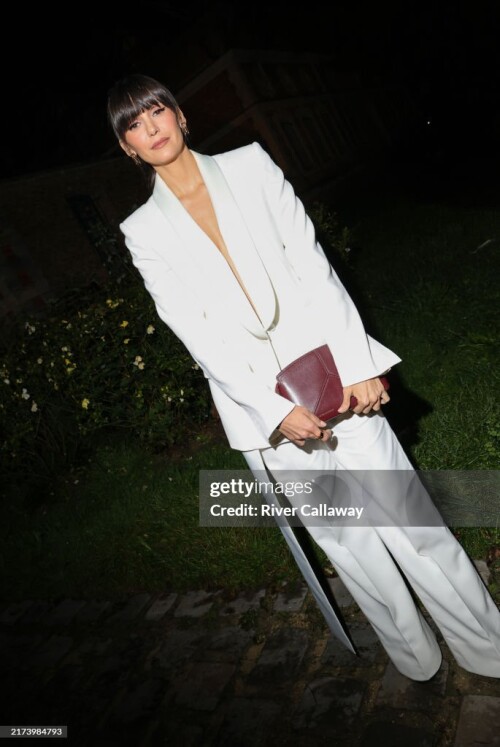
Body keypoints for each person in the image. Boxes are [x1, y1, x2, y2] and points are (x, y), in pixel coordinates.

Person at [107, 73, 500, 681]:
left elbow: (310, 261)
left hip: (333, 373)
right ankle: (413, 653)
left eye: (157, 110)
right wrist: (271, 410)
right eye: (133, 123)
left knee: (410, 517)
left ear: (181, 117)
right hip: (265, 414)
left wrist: (358, 361)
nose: (150, 126)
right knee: (350, 542)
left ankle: (484, 644)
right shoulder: (143, 231)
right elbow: (195, 331)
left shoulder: (249, 165)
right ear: (128, 147)